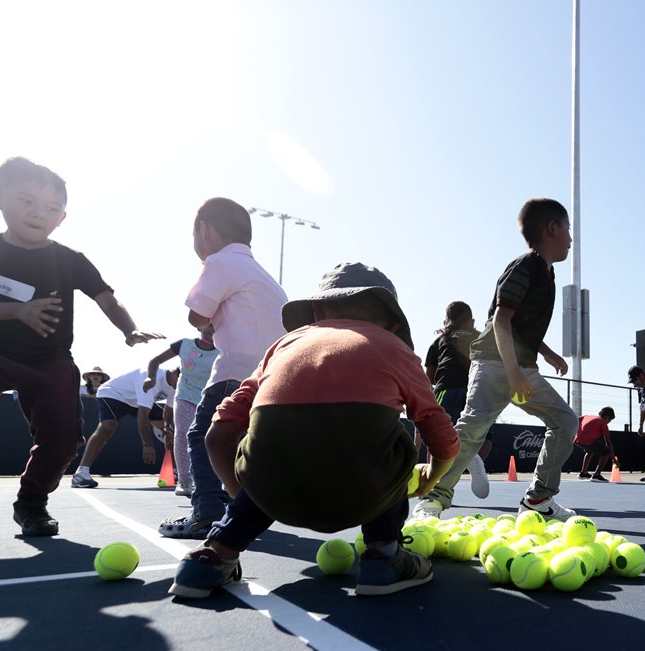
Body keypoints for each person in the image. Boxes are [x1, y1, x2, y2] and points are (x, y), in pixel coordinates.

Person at [168, 263, 458, 599]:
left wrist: (247, 493)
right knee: (395, 441)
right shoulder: (397, 350)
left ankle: (212, 557)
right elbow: (441, 436)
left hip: (276, 497)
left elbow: (217, 433)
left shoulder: (282, 347)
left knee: (266, 458)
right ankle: (384, 556)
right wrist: (431, 478)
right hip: (364, 493)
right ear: (393, 324)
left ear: (315, 313)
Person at [0, 157, 161, 536]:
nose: (39, 213)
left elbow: (107, 299)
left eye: (52, 208)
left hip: (49, 359)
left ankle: (32, 501)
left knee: (64, 438)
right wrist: (17, 311)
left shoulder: (70, 260)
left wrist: (130, 330)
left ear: (62, 218)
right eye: (27, 201)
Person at [413, 198, 579, 520]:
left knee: (566, 422)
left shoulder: (547, 275)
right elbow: (501, 321)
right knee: (472, 430)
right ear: (552, 229)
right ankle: (433, 498)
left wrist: (546, 353)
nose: (570, 239)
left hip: (522, 368)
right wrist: (513, 372)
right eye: (568, 229)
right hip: (493, 364)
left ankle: (538, 500)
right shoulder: (524, 267)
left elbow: (521, 327)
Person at [158, 198, 287, 539]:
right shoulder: (264, 276)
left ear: (205, 230)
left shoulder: (220, 262)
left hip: (236, 371)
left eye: (194, 234)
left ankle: (207, 512)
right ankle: (244, 508)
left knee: (201, 435)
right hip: (274, 376)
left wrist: (210, 322)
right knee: (244, 442)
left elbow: (197, 316)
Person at [419, 300, 490, 499]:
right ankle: (471, 459)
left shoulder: (440, 341)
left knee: (437, 436)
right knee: (483, 437)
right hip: (474, 388)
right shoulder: (480, 337)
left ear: (447, 321)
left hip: (447, 388)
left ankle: (433, 485)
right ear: (471, 320)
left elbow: (430, 377)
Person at [142, 325, 218, 496]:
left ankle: (210, 479)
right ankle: (184, 480)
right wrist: (151, 377)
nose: (212, 328)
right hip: (185, 396)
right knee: (182, 433)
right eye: (209, 324)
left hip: (210, 398)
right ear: (200, 325)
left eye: (216, 325)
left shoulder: (224, 350)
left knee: (210, 438)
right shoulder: (184, 345)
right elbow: (155, 361)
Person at [71, 367, 179, 487]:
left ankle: (175, 471)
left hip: (136, 402)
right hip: (113, 394)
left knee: (172, 430)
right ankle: (81, 473)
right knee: (108, 426)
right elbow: (142, 415)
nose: (185, 383)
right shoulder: (151, 377)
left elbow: (168, 412)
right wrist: (147, 445)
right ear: (174, 373)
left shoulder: (178, 385)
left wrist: (168, 429)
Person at [574, 406, 616, 481]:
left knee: (590, 451)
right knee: (606, 453)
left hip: (576, 439)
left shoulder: (587, 416)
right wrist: (614, 459)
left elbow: (575, 419)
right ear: (607, 417)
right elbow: (608, 443)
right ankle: (597, 475)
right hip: (587, 440)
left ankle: (583, 473)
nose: (608, 422)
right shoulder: (603, 423)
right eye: (610, 420)